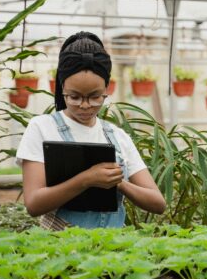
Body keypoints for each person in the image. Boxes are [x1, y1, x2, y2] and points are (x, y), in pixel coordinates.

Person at [17, 32, 166, 229]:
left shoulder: (117, 136)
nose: (85, 105)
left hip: (111, 249)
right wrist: (86, 179)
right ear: (62, 87)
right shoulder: (42, 128)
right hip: (62, 248)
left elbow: (158, 203)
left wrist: (119, 183)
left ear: (107, 88)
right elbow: (34, 204)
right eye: (75, 97)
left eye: (95, 97)